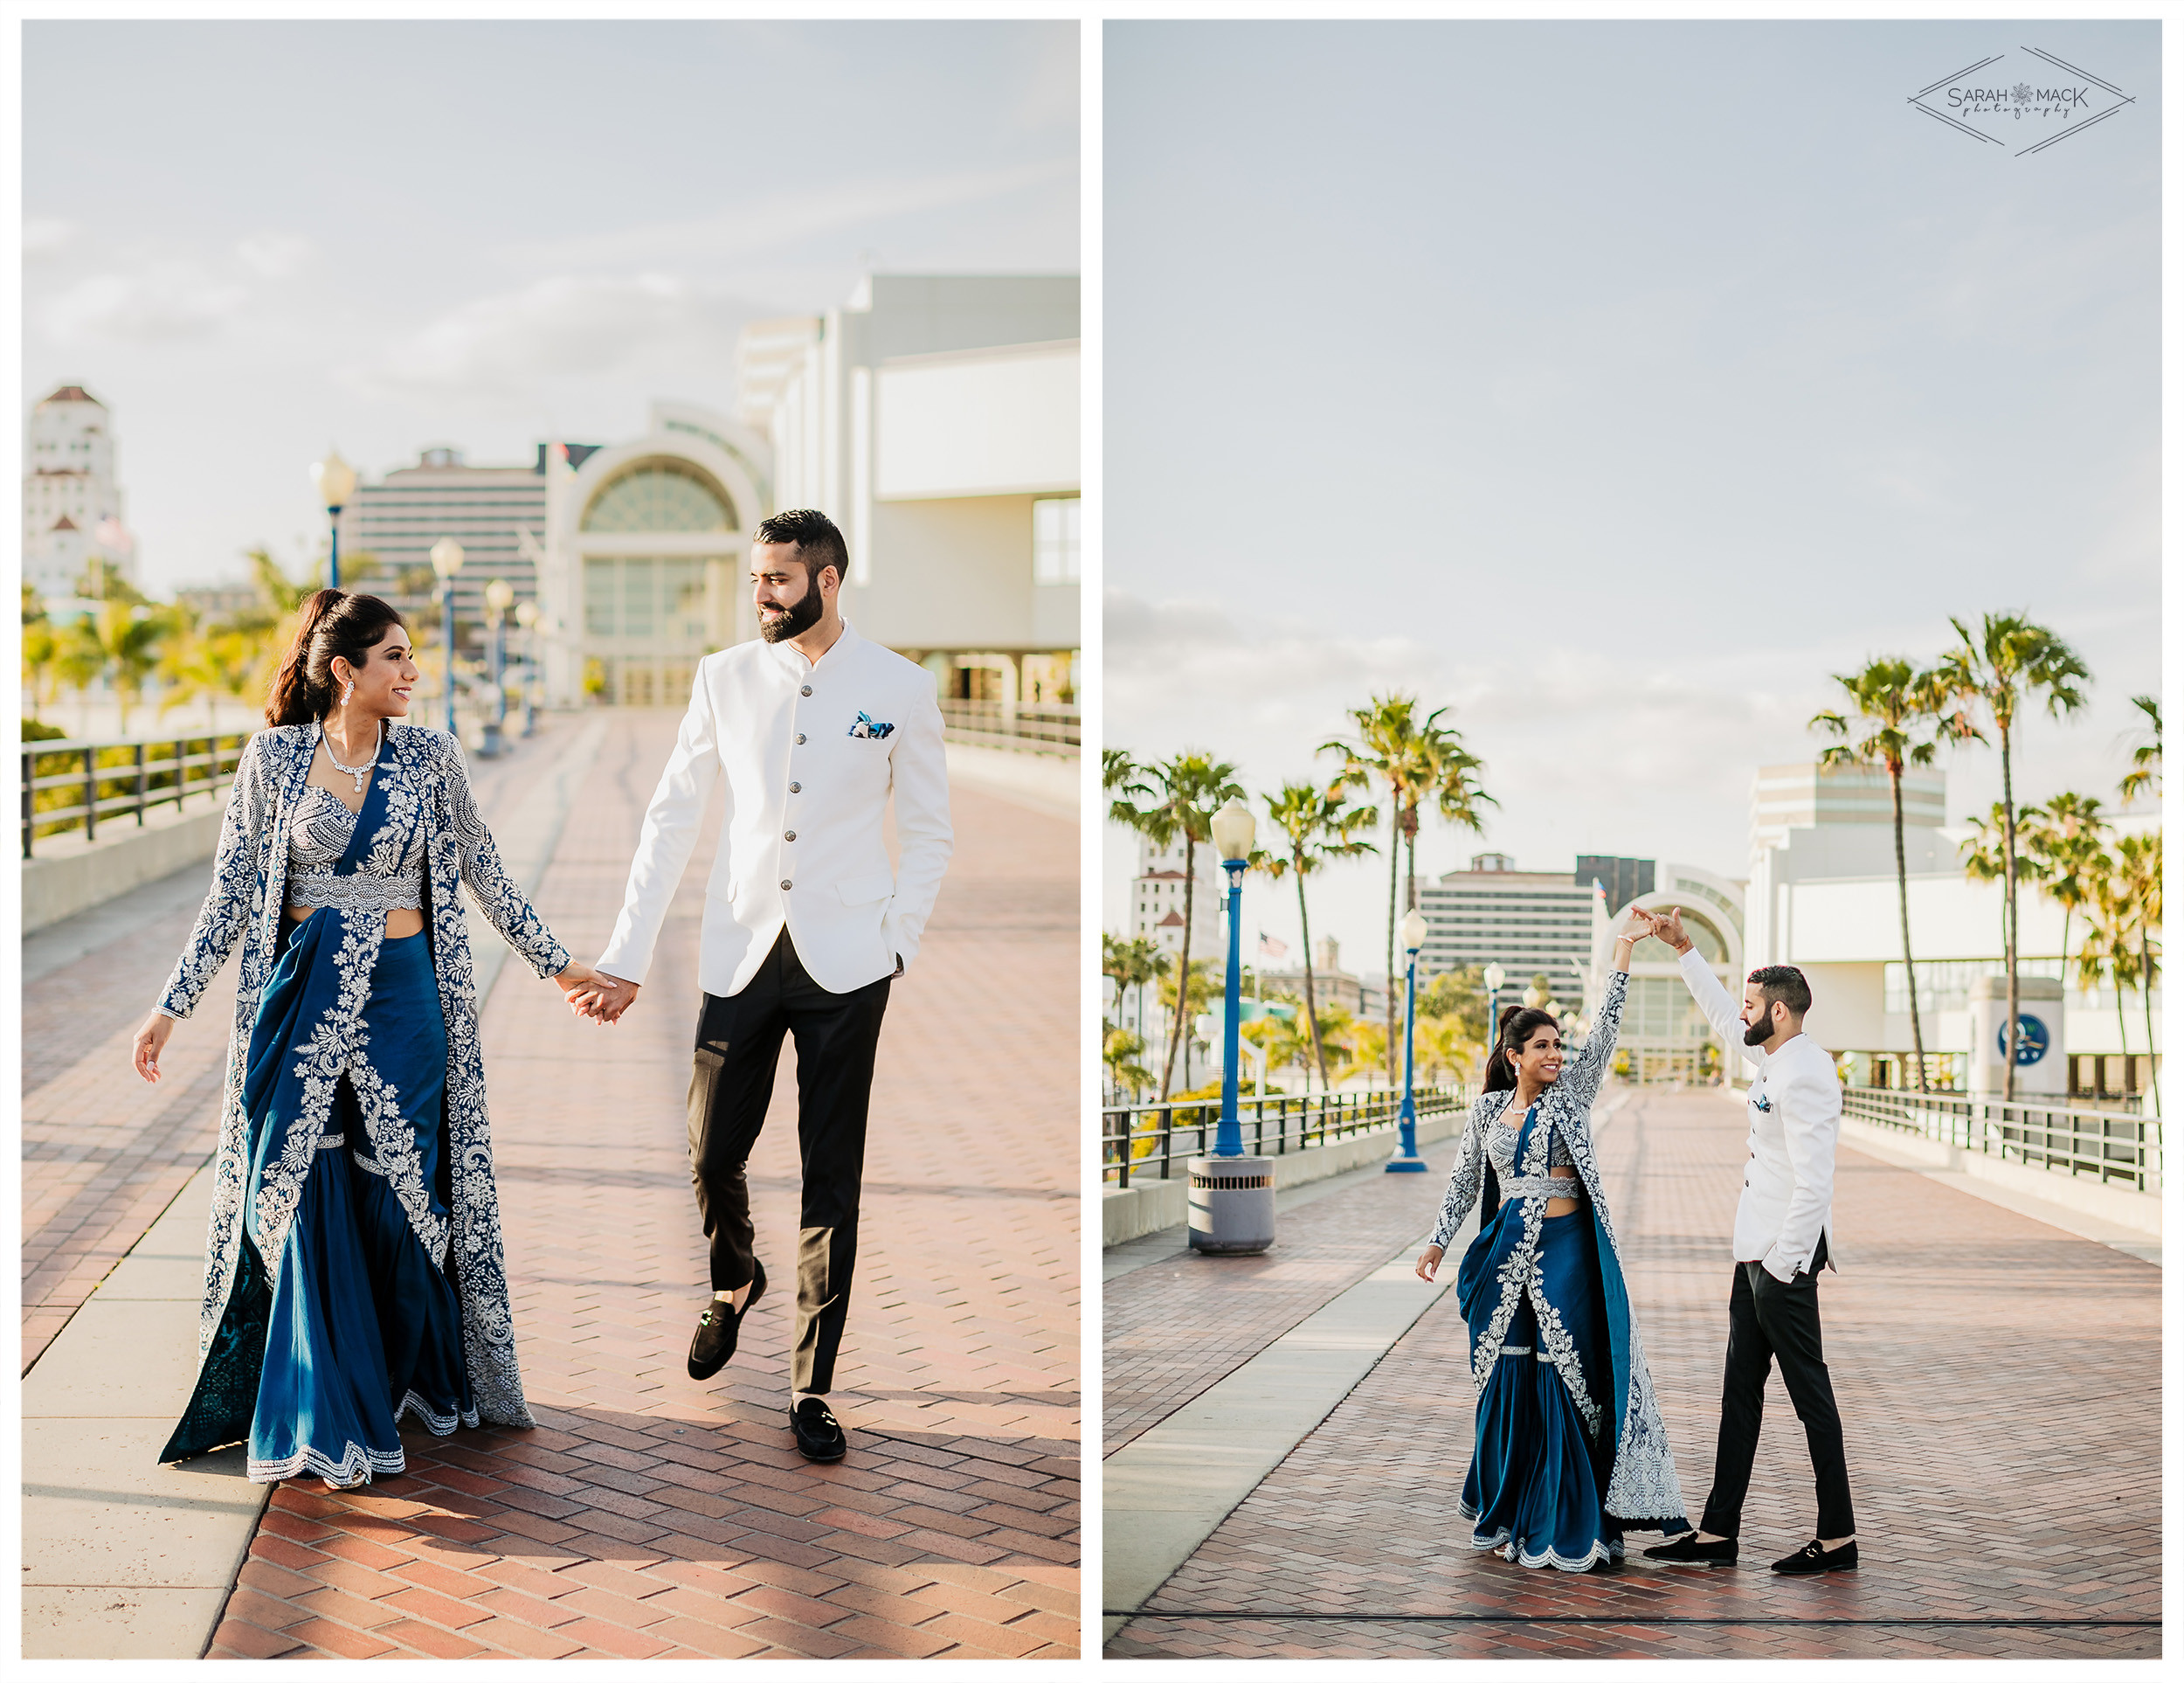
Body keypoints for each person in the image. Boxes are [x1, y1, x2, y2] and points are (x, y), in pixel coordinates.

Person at [135, 590, 612, 1488]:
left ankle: (402, 1370)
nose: (414, 672)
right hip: (302, 1006)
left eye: (411, 655)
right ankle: (327, 1401)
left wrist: (557, 966)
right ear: (345, 669)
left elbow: (482, 867)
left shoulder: (430, 758)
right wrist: (173, 1004)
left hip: (404, 1005)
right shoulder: (272, 760)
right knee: (301, 1189)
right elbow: (233, 891)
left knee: (400, 1202)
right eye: (395, 657)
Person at [568, 509, 952, 1464]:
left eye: (777, 580)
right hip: (740, 950)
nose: (761, 597)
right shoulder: (723, 678)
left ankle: (811, 1387)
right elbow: (669, 819)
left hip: (849, 963)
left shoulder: (898, 687)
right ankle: (735, 1278)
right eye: (754, 580)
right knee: (708, 1150)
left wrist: (896, 939)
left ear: (826, 581)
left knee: (832, 1178)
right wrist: (626, 954)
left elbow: (932, 828)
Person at [1415, 905, 1688, 1572]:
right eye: (1543, 1046)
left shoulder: (1573, 1095)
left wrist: (1624, 948)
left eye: (1559, 1044)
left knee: (1569, 1376)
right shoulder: (1485, 1111)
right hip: (1506, 1254)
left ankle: (1570, 1517)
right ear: (1514, 1057)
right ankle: (1511, 1509)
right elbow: (1461, 1181)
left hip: (1568, 1253)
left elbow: (1608, 1027)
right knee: (1511, 1376)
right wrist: (1436, 1242)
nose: (1557, 1053)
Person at [1641, 906, 1858, 1575]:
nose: (1743, 1015)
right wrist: (1684, 950)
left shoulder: (1807, 1072)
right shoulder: (1773, 1057)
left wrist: (1784, 1265)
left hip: (1781, 1260)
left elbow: (1815, 1183)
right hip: (1755, 1253)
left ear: (1782, 1014)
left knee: (1809, 1396)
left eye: (1753, 1006)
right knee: (1740, 1392)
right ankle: (1718, 1532)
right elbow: (1718, 1017)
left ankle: (1838, 1537)